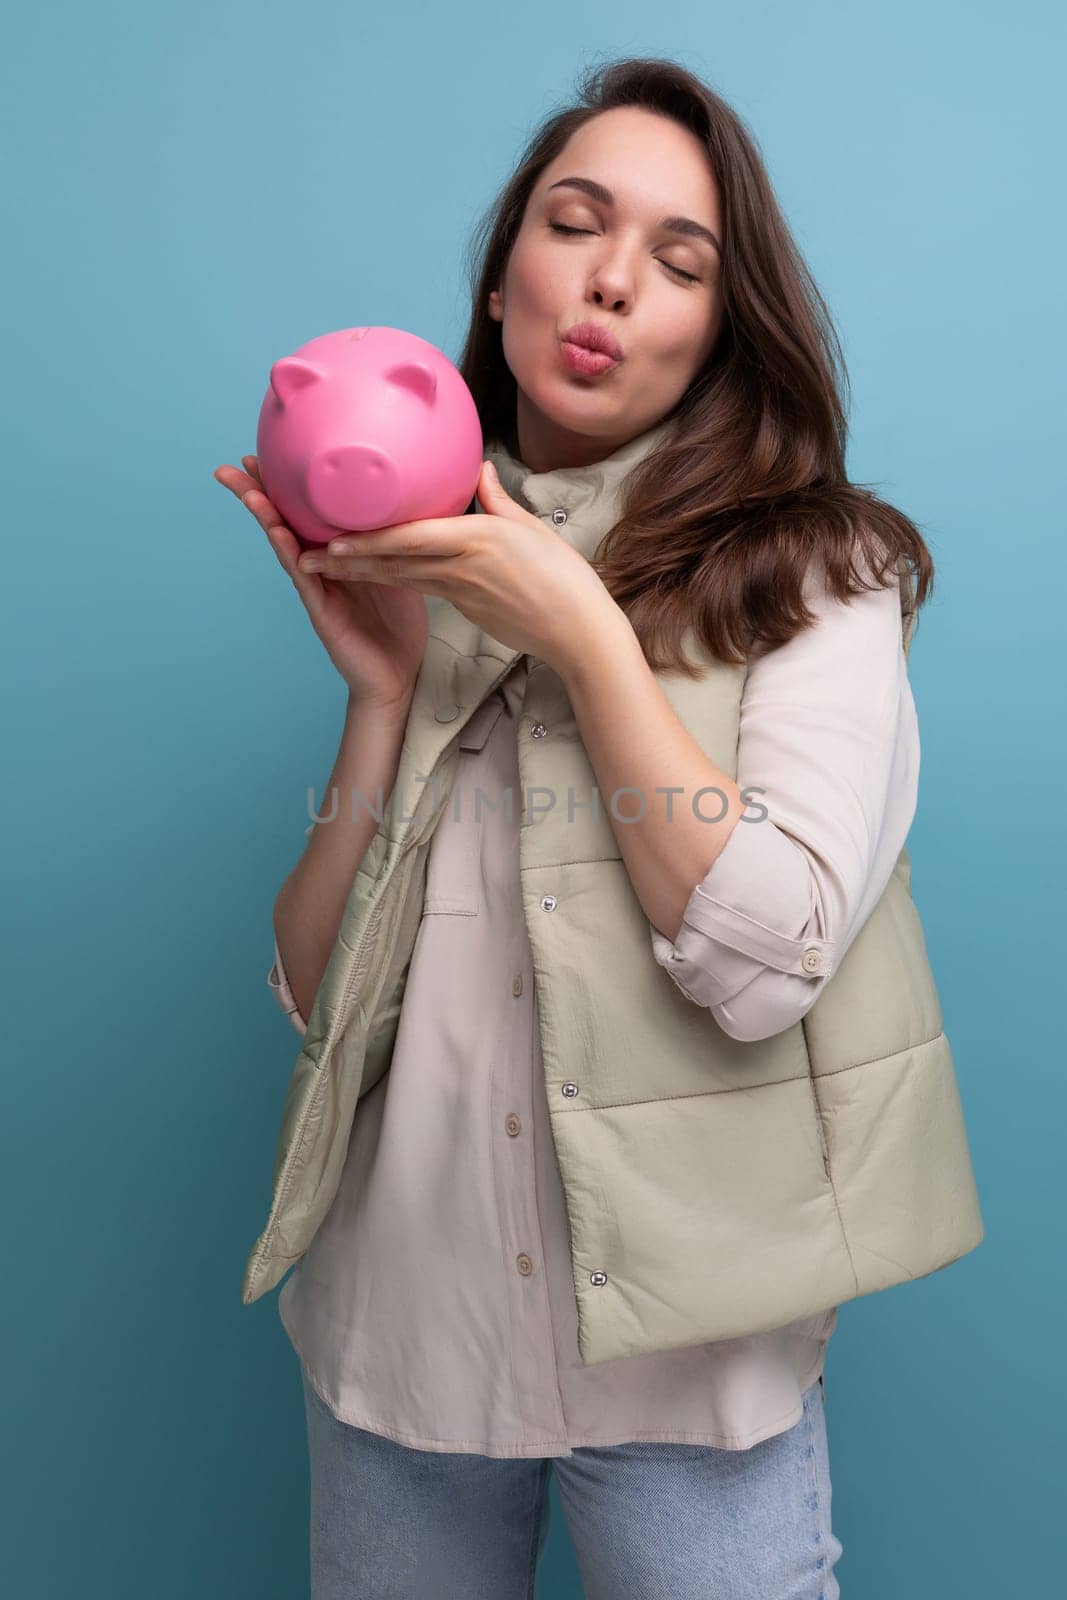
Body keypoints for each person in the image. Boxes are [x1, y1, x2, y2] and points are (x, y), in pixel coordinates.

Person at [215, 55, 975, 1600]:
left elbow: (767, 965)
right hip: (403, 1346)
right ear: (504, 279)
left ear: (717, 329)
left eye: (679, 260)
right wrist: (377, 697)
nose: (613, 279)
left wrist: (589, 641)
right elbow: (317, 998)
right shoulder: (431, 569)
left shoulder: (823, 576)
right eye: (575, 222)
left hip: (690, 1366)